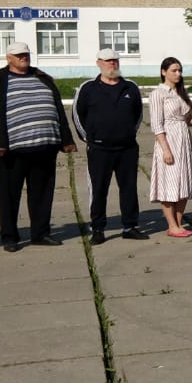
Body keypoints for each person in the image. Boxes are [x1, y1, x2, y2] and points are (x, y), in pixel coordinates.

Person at [0, 42, 77, 252]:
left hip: (44, 147)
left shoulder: (42, 77)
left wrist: (63, 138)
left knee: (42, 194)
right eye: (19, 55)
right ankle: (9, 237)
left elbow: (58, 108)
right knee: (9, 195)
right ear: (9, 58)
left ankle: (40, 234)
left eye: (26, 54)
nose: (24, 57)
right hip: (10, 150)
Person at [73, 48, 146, 244]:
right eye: (107, 61)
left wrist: (128, 135)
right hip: (99, 149)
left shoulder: (130, 87)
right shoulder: (88, 88)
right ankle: (98, 228)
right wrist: (91, 139)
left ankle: (130, 226)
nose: (112, 64)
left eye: (115, 60)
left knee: (129, 188)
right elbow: (78, 116)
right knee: (98, 190)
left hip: (127, 149)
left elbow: (138, 115)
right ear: (99, 63)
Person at [150, 57, 192, 238]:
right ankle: (171, 224)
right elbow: (156, 124)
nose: (178, 74)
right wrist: (165, 149)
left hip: (183, 141)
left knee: (183, 183)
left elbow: (187, 120)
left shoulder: (181, 93)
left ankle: (178, 224)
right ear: (164, 72)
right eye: (174, 70)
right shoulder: (158, 94)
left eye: (179, 70)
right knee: (169, 183)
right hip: (168, 140)